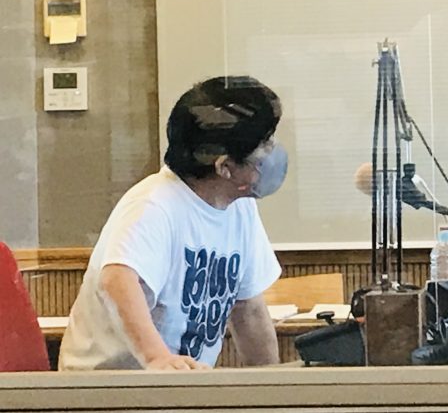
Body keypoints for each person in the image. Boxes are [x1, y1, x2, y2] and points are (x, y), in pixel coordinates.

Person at [59, 76, 286, 370]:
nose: (274, 151)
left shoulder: (240, 207)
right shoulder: (154, 204)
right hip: (107, 387)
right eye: (264, 145)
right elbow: (117, 279)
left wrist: (270, 383)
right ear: (225, 167)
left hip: (178, 385)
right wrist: (158, 358)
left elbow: (249, 309)